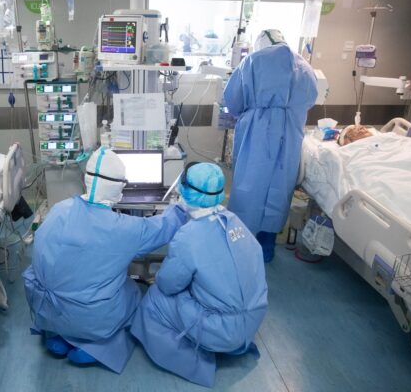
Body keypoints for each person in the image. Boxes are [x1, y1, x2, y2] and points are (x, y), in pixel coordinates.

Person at [22, 148, 187, 374]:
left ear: (85, 179)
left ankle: (59, 337)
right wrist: (181, 205)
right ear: (120, 188)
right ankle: (94, 348)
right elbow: (164, 228)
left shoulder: (58, 210)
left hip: (48, 309)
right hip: (91, 317)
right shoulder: (125, 228)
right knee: (133, 291)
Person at [130, 162, 268, 388]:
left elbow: (168, 285)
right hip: (253, 317)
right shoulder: (235, 221)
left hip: (222, 331)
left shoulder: (189, 236)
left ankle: (193, 359)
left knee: (155, 297)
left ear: (185, 191)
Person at [223, 29, 318, 262]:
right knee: (279, 190)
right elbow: (311, 99)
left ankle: (241, 249)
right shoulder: (305, 68)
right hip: (290, 136)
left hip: (257, 134)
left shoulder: (253, 61)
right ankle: (266, 250)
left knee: (249, 188)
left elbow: (233, 100)